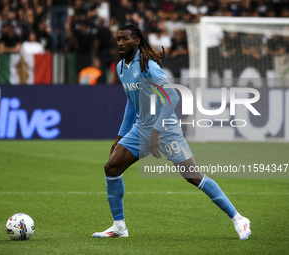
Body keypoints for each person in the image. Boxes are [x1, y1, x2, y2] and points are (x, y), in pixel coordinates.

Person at [92, 24, 251, 240]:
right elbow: (132, 102)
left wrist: (156, 131)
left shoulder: (147, 65)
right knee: (112, 167)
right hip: (141, 128)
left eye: (125, 39)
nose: (120, 42)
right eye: (118, 38)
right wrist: (120, 136)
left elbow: (173, 97)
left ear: (137, 41)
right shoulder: (121, 67)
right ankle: (119, 226)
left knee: (192, 176)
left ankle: (239, 218)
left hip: (165, 128)